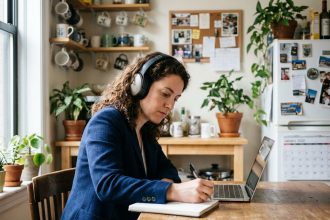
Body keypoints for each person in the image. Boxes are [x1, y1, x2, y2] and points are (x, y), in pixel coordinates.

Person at [61, 52, 214, 220]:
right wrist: (172, 191)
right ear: (139, 86)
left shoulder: (144, 129)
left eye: (175, 99)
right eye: (165, 94)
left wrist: (167, 185)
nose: (170, 105)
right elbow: (108, 185)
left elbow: (166, 168)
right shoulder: (105, 121)